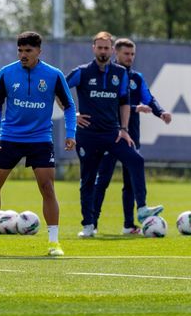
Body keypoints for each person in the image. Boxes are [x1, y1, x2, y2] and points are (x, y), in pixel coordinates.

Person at [0, 31, 77, 256]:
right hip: (9, 137)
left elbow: (69, 106)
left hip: (40, 139)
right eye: (20, 50)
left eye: (28, 51)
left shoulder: (53, 75)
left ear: (39, 51)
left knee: (47, 187)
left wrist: (70, 133)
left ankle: (54, 242)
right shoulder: (6, 73)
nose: (23, 55)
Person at [66, 31, 162, 238]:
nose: (103, 51)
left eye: (106, 48)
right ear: (94, 48)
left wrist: (124, 129)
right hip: (88, 135)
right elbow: (59, 89)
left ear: (111, 50)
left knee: (136, 160)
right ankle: (88, 225)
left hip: (113, 134)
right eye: (99, 47)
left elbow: (124, 103)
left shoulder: (120, 73)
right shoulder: (82, 72)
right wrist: (73, 115)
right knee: (89, 180)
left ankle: (142, 208)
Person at [91, 38, 171, 235]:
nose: (130, 57)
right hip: (110, 135)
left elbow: (149, 98)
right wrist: (136, 108)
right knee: (103, 180)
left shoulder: (136, 78)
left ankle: (128, 225)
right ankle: (91, 223)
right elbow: (109, 106)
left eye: (132, 54)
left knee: (129, 182)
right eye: (126, 54)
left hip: (130, 136)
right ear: (115, 54)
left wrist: (160, 113)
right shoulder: (108, 76)